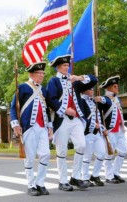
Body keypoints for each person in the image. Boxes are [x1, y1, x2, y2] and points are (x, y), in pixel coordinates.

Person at [46, 54, 95, 191]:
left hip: (77, 120)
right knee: (62, 151)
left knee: (81, 145)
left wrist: (78, 77)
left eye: (68, 66)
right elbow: (51, 99)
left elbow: (93, 80)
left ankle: (75, 177)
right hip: (62, 119)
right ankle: (62, 181)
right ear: (58, 67)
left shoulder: (74, 81)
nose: (67, 68)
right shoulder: (53, 81)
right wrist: (65, 110)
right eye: (64, 66)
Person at [10, 61, 53, 196]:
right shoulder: (22, 87)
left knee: (45, 154)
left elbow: (46, 110)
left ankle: (40, 183)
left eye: (42, 73)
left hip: (43, 127)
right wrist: (15, 124)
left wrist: (50, 126)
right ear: (31, 74)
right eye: (38, 73)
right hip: (28, 127)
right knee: (29, 157)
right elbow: (13, 107)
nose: (41, 75)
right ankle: (31, 185)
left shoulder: (43, 90)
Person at [95, 75, 127, 184]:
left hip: (120, 129)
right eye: (115, 86)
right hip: (110, 130)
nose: (117, 88)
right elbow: (99, 109)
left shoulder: (117, 99)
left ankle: (115, 173)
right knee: (109, 153)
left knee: (123, 151)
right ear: (108, 88)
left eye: (117, 86)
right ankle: (109, 176)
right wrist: (102, 128)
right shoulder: (105, 98)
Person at [80, 85, 107, 187]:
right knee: (87, 157)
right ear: (84, 90)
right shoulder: (81, 101)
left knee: (101, 154)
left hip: (97, 132)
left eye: (92, 89)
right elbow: (82, 117)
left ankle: (95, 175)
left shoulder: (94, 101)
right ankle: (85, 178)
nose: (92, 91)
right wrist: (94, 125)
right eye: (90, 89)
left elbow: (105, 106)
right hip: (87, 132)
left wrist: (101, 127)